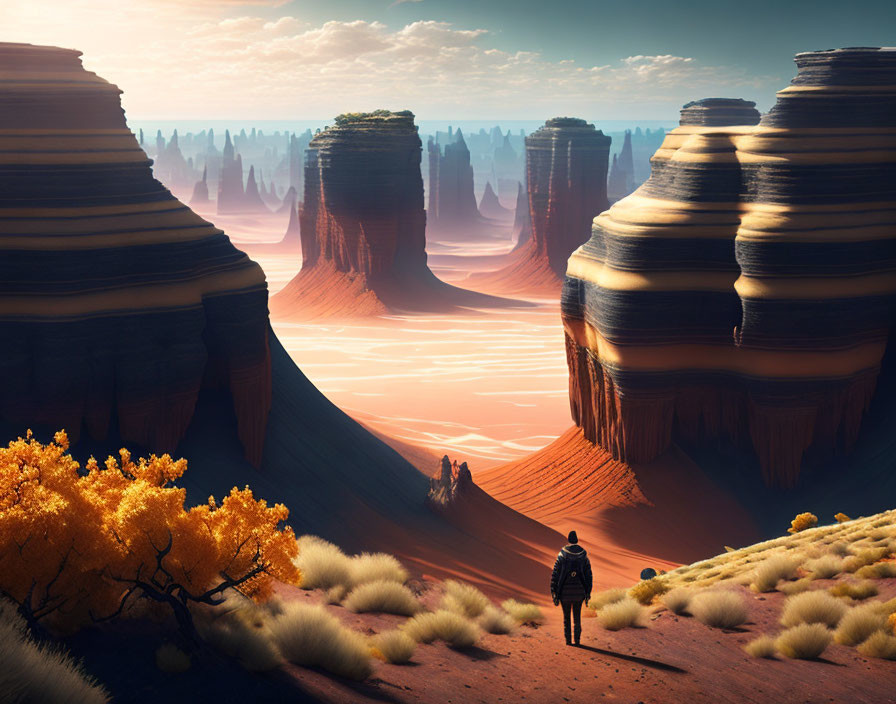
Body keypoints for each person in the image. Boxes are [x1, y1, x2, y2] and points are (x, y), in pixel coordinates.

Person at [550, 530, 592, 646]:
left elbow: (555, 574)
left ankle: (568, 641)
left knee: (566, 618)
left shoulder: (562, 554)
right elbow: (589, 575)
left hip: (564, 593)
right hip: (579, 593)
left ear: (568, 539)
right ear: (577, 540)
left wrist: (554, 591)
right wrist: (588, 592)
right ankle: (577, 641)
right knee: (577, 618)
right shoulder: (583, 555)